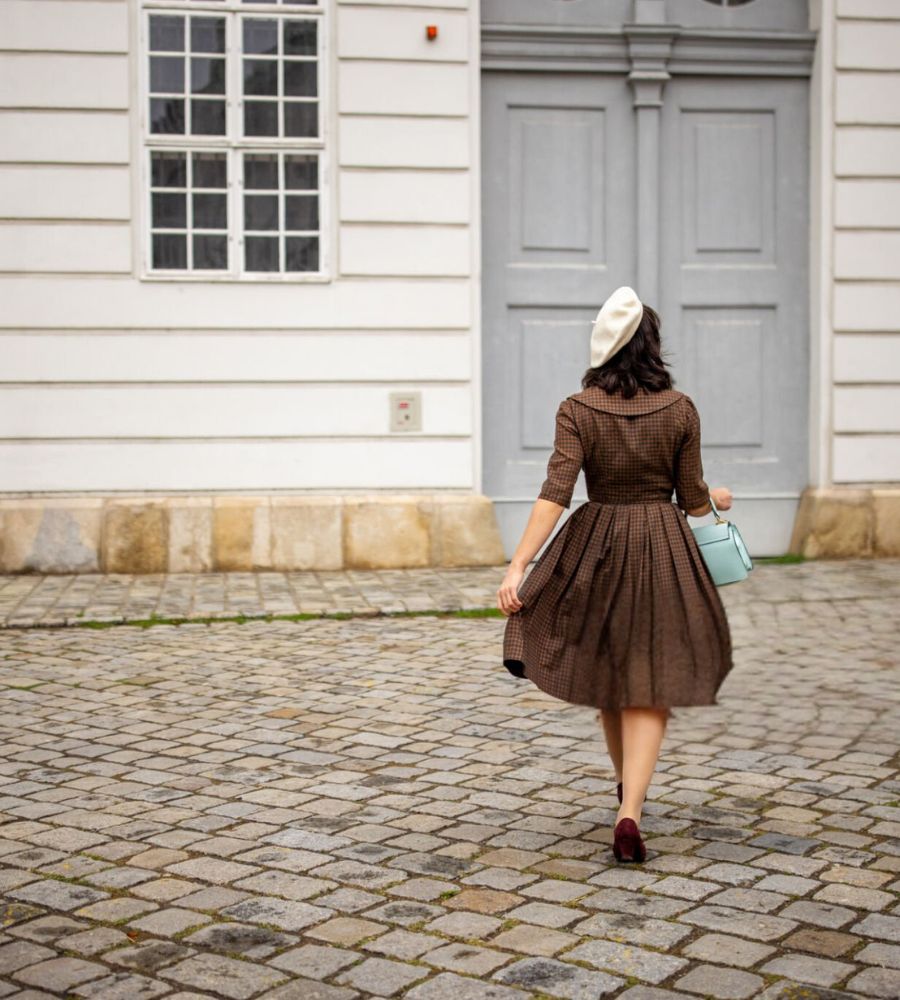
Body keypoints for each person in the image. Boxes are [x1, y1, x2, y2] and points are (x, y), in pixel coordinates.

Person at [497, 286, 734, 864]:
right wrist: (717, 497)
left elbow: (556, 492)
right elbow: (692, 499)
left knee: (609, 679)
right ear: (652, 347)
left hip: (597, 545)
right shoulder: (680, 409)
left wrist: (520, 563)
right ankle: (631, 812)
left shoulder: (577, 409)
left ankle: (626, 793)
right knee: (649, 682)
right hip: (661, 548)